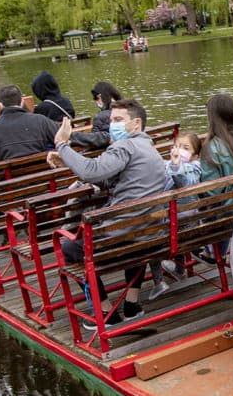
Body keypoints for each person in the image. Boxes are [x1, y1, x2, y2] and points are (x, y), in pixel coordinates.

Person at [51, 98, 169, 321]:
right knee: (135, 236)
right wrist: (69, 161)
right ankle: (132, 305)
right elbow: (110, 180)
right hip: (148, 232)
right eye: (112, 119)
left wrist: (62, 145)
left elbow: (92, 172)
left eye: (118, 119)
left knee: (67, 248)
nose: (112, 124)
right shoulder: (148, 148)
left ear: (135, 124)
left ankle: (105, 311)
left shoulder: (126, 146)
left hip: (117, 235)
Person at [0, 84, 57, 164]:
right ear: (22, 101)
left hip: (10, 175)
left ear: (0, 105)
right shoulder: (41, 120)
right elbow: (63, 140)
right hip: (43, 173)